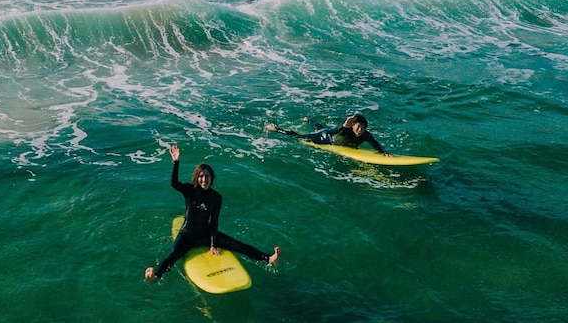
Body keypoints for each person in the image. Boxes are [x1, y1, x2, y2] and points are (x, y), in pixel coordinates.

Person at [145, 144, 280, 281]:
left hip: (205, 234)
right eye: (201, 176)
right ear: (197, 178)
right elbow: (174, 183)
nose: (204, 179)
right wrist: (176, 162)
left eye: (207, 176)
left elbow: (214, 222)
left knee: (236, 244)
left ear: (212, 178)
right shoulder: (190, 191)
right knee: (173, 255)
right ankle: (156, 274)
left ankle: (268, 258)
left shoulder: (216, 197)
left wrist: (213, 244)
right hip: (187, 235)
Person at [267, 114, 391, 156]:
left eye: (363, 128)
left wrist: (383, 151)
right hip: (326, 139)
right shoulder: (346, 130)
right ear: (353, 126)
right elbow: (337, 132)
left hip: (329, 132)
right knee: (299, 137)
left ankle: (310, 120)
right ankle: (276, 129)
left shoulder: (366, 135)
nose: (361, 130)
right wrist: (344, 126)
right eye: (359, 127)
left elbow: (375, 143)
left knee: (321, 127)